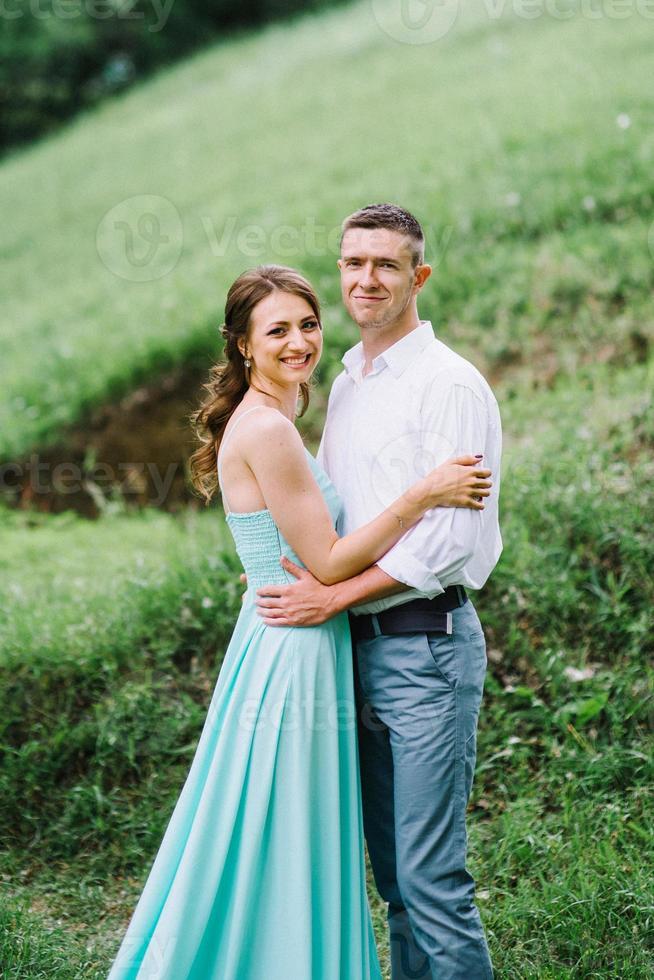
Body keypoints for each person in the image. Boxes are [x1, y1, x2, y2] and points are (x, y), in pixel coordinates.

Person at [106, 264, 492, 980]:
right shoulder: (268, 430)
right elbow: (331, 558)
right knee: (285, 837)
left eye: (308, 325)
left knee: (279, 831)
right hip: (294, 649)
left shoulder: (272, 420)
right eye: (277, 330)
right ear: (243, 345)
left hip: (293, 639)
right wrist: (425, 492)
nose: (299, 342)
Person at [254, 205, 502, 980]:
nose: (368, 279)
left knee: (431, 881)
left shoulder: (449, 385)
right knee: (393, 882)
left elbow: (450, 543)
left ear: (417, 277)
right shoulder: (351, 382)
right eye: (354, 263)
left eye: (387, 265)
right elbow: (337, 518)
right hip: (354, 656)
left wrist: (334, 596)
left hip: (425, 648)